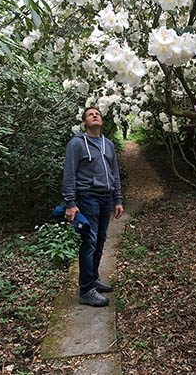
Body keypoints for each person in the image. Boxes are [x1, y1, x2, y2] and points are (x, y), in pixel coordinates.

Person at [62, 107, 123, 307]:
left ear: (102, 121)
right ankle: (86, 289)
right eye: (90, 114)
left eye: (97, 113)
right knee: (90, 241)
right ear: (84, 122)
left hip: (106, 199)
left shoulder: (108, 144)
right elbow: (69, 174)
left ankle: (93, 278)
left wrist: (118, 199)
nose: (95, 115)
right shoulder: (77, 144)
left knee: (100, 241)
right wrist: (70, 203)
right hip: (88, 198)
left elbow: (114, 173)